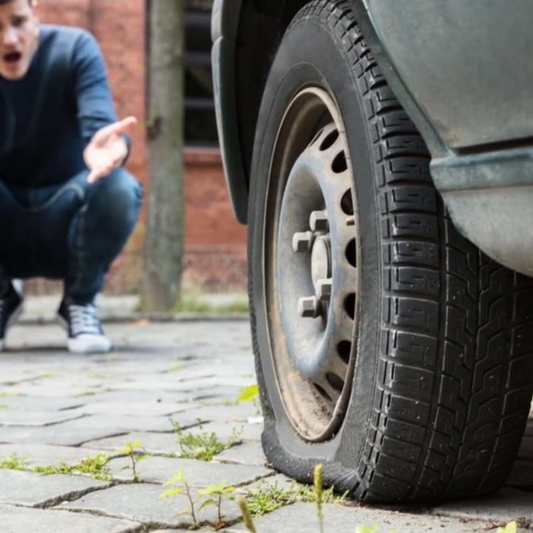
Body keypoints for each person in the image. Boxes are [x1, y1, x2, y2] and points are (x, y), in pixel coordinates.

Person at [0, 0, 143, 354]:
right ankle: (3, 295)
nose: (9, 39)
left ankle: (79, 302)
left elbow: (104, 130)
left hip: (66, 216)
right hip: (7, 221)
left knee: (119, 187)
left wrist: (112, 148)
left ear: (35, 13)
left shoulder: (75, 48)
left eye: (17, 22)